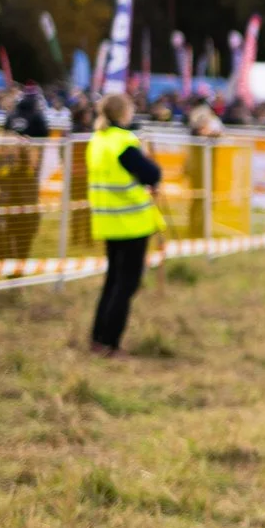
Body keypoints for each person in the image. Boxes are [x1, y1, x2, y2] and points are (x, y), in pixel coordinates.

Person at [86, 91, 164, 355]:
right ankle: (110, 342)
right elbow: (152, 172)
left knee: (112, 282)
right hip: (131, 223)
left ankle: (97, 338)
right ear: (122, 112)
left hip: (107, 222)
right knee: (126, 285)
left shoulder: (98, 140)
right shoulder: (122, 141)